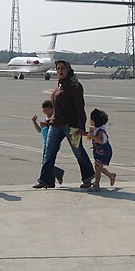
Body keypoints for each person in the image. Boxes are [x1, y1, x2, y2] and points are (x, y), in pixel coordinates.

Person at [34, 60, 95, 189]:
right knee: (49, 152)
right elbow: (57, 110)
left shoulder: (75, 86)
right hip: (56, 124)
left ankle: (88, 177)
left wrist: (81, 127)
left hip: (71, 126)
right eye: (58, 68)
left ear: (68, 70)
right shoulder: (59, 86)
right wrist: (49, 120)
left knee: (78, 152)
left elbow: (80, 108)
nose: (60, 71)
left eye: (62, 68)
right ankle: (46, 180)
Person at [32, 99, 65, 187]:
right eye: (44, 109)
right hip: (46, 144)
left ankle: (56, 174)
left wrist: (46, 124)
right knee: (46, 163)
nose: (45, 110)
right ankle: (52, 180)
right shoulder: (45, 120)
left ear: (52, 109)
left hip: (52, 144)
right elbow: (40, 130)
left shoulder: (53, 120)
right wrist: (34, 122)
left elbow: (54, 129)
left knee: (46, 163)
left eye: (47, 109)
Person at [85, 108, 117, 191]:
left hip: (104, 152)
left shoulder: (100, 131)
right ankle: (111, 175)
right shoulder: (96, 129)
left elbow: (101, 141)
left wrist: (92, 136)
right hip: (99, 151)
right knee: (98, 167)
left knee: (98, 168)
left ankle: (96, 185)